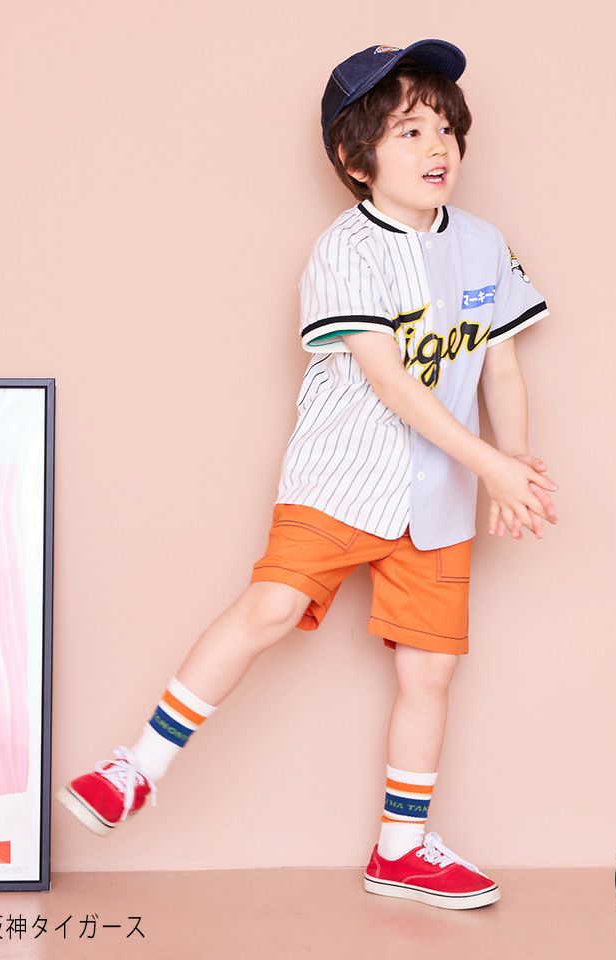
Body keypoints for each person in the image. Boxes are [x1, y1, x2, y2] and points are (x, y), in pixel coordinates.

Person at [57, 38, 558, 911]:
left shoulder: (484, 244)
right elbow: (391, 383)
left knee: (430, 673)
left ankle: (402, 850)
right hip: (341, 477)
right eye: (409, 131)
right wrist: (492, 466)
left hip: (439, 498)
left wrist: (512, 466)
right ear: (355, 160)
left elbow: (501, 367)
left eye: (445, 127)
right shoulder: (343, 250)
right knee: (273, 606)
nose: (437, 146)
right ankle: (136, 767)